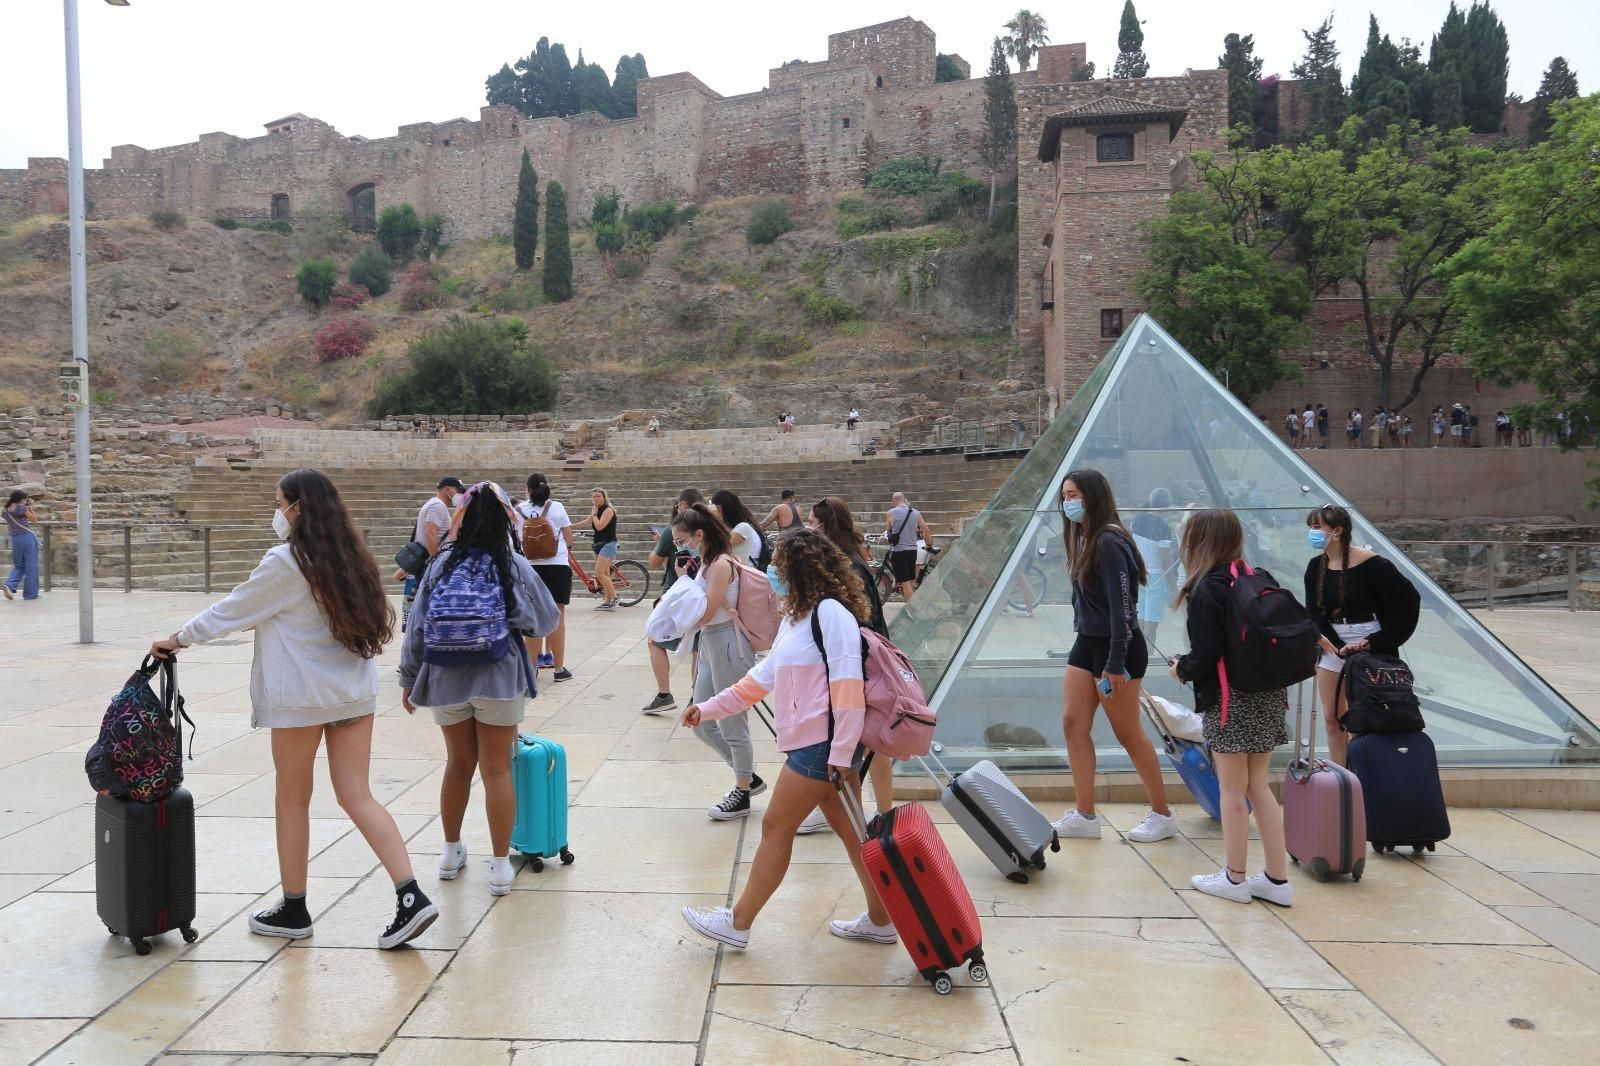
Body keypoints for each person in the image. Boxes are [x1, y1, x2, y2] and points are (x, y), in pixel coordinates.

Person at [149, 469, 438, 949]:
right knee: (358, 795)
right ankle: (411, 896)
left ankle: (295, 906)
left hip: (301, 699)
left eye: (279, 503)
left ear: (298, 508)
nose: (276, 512)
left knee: (292, 798)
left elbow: (231, 609)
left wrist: (177, 639)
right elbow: (286, 612)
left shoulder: (286, 562)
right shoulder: (351, 556)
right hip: (351, 694)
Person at [678, 528, 894, 951]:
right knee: (853, 834)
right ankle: (883, 919)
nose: (770, 573)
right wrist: (707, 708)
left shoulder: (831, 613)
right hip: (823, 745)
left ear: (799, 569)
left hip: (824, 745)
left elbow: (849, 686)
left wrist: (842, 749)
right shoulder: (797, 619)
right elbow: (760, 679)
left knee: (777, 825)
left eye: (777, 567)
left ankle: (737, 924)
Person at [401, 482, 559, 896]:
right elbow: (545, 622)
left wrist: (408, 677)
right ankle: (501, 866)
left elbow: (417, 625)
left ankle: (451, 853)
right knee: (497, 769)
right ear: (506, 517)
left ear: (460, 518)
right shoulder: (513, 564)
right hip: (499, 677)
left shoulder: (440, 564)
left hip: (446, 677)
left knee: (457, 765)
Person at [1168, 509, 1293, 906]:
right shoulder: (1260, 578)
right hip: (1270, 694)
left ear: (1199, 540)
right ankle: (1277, 879)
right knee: (1260, 785)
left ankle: (1235, 879)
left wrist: (1180, 669)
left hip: (1229, 700)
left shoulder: (1208, 588)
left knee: (1232, 789)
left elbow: (1205, 654)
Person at [1051, 469, 1176, 843]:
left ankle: (1162, 814)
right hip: (1086, 642)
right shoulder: (1085, 539)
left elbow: (1125, 608)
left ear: (1092, 496)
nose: (1067, 502)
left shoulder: (1108, 542)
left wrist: (1115, 663)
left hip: (1115, 648)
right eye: (1064, 496)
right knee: (1073, 724)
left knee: (1128, 734)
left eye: (1073, 494)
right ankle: (1085, 814)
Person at [797, 495, 891, 836]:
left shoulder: (846, 565)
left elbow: (855, 622)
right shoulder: (851, 558)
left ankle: (867, 813)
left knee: (853, 743)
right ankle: (875, 812)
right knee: (867, 744)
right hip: (868, 663)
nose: (808, 525)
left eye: (811, 520)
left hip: (860, 666)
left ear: (826, 524)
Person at [1303, 503, 1421, 765]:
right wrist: (1332, 643)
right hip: (1333, 646)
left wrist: (1377, 641)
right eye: (1311, 527)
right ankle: (1342, 778)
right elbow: (1313, 611)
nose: (1313, 532)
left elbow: (1409, 599)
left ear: (1338, 531)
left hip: (1370, 644)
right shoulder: (1315, 567)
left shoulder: (1374, 565)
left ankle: (1365, 775)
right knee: (1332, 716)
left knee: (1365, 716)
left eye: (1317, 527)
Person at [674, 503, 764, 819]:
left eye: (683, 540)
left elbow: (709, 610)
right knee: (700, 720)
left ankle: (742, 790)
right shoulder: (708, 562)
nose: (681, 546)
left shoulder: (722, 564)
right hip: (713, 642)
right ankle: (748, 777)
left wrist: (677, 603)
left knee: (732, 724)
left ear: (699, 534)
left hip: (727, 641)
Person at [642, 488, 704, 714]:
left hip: (679, 596)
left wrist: (660, 543)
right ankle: (696, 696)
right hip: (699, 600)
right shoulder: (712, 534)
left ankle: (664, 693)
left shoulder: (672, 530)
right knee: (699, 648)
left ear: (683, 506)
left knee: (655, 640)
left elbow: (655, 561)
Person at [518, 472, 575, 682]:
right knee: (558, 617)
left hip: (531, 568)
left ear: (528, 488)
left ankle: (531, 669)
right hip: (558, 567)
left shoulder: (519, 510)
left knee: (533, 618)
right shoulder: (557, 507)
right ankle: (559, 669)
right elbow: (569, 539)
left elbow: (515, 541)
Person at [396, 476, 463, 627]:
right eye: (457, 491)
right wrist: (436, 561)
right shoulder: (437, 506)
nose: (459, 495)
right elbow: (430, 533)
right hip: (432, 561)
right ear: (448, 489)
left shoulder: (433, 504)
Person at [1129, 487, 1175, 646]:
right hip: (1155, 577)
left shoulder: (1136, 520)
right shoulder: (1164, 529)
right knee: (1151, 624)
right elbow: (1164, 559)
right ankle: (1147, 656)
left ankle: (1137, 655)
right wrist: (1173, 585)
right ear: (1166, 507)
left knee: (1140, 620)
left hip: (1138, 574)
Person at [571, 487, 619, 609]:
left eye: (598, 496)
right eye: (593, 497)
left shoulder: (608, 510)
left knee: (599, 573)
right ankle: (607, 601)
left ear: (604, 497)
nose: (595, 499)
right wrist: (571, 526)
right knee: (605, 574)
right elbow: (588, 522)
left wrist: (594, 514)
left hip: (608, 544)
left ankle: (615, 597)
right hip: (598, 544)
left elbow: (599, 526)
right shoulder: (595, 510)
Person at [884, 491, 932, 598]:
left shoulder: (891, 513)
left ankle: (910, 609)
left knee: (905, 583)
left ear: (894, 501)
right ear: (904, 499)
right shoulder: (915, 512)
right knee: (910, 581)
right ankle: (913, 601)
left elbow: (889, 531)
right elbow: (926, 530)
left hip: (899, 551)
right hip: (912, 551)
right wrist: (929, 544)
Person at [709, 489, 763, 568]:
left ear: (719, 508)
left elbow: (719, 547)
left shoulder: (743, 527)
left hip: (741, 576)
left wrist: (715, 519)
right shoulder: (731, 528)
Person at [3, 489, 40, 601]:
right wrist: (29, 506)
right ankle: (30, 594)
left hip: (15, 539)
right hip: (27, 538)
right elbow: (34, 519)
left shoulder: (5, 509)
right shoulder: (21, 507)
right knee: (31, 567)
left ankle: (10, 585)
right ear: (21, 499)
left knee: (19, 565)